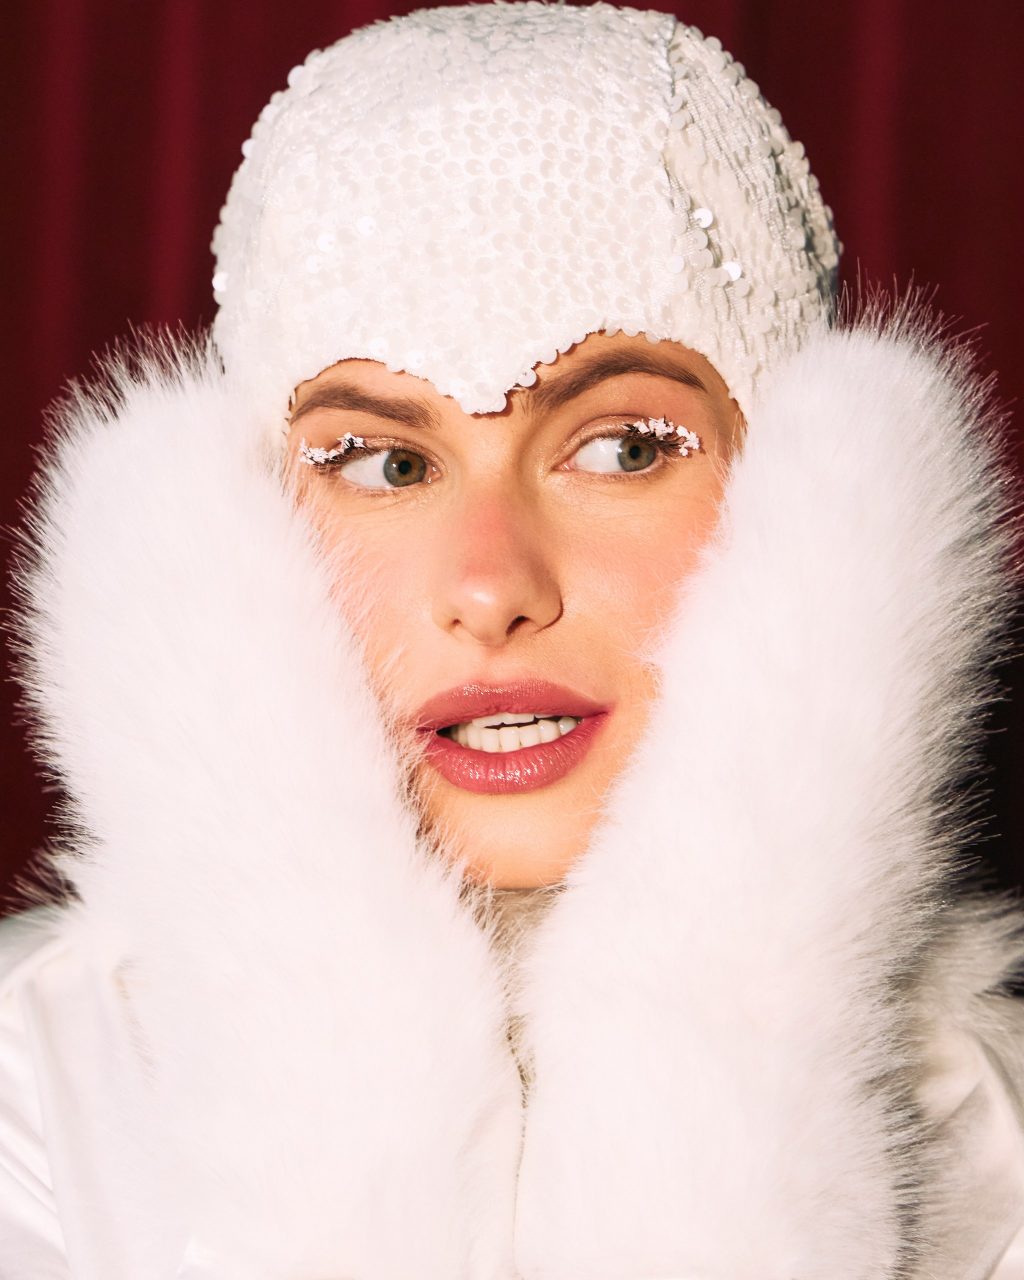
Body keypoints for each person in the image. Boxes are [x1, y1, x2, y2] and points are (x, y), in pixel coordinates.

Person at [2, 3, 1023, 1276]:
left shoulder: (997, 1150)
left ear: (802, 500)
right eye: (384, 462)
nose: (490, 586)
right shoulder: (32, 1095)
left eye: (624, 448)